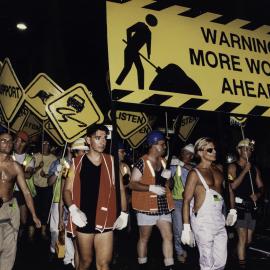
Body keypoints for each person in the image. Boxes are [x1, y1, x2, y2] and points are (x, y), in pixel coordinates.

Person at [64, 124, 128, 270]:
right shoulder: (76, 163)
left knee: (104, 264)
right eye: (97, 138)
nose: (102, 142)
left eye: (104, 138)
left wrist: (124, 213)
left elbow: (121, 189)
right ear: (88, 140)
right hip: (83, 218)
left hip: (105, 217)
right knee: (85, 262)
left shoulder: (111, 161)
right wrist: (73, 210)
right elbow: (66, 190)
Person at [182, 137, 236, 270]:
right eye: (210, 150)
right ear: (200, 152)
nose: (214, 152)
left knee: (221, 261)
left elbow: (229, 190)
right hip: (203, 222)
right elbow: (186, 200)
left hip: (219, 219)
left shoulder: (219, 170)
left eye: (214, 149)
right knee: (207, 262)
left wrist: (232, 210)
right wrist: (186, 227)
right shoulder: (194, 173)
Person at [129, 130, 175, 270]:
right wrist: (150, 188)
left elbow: (171, 185)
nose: (165, 147)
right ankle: (142, 264)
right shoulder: (141, 162)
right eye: (162, 144)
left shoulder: (163, 161)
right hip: (146, 207)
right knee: (144, 238)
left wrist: (169, 179)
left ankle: (169, 265)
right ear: (154, 145)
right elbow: (132, 183)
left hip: (163, 206)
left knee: (168, 236)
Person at [0, 132, 41, 270]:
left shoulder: (15, 166)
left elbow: (26, 192)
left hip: (10, 208)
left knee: (9, 250)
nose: (7, 143)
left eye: (10, 141)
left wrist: (34, 215)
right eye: (3, 140)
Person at [228, 138, 264, 268]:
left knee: (248, 240)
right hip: (238, 206)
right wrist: (244, 170)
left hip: (251, 207)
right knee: (242, 238)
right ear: (239, 150)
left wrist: (258, 194)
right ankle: (242, 265)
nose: (249, 152)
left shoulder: (254, 168)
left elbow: (261, 186)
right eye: (246, 149)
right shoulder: (233, 166)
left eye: (251, 150)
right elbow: (232, 187)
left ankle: (236, 252)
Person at [116, 14, 158, 89]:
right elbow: (128, 30)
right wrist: (129, 43)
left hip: (135, 52)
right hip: (129, 50)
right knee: (128, 68)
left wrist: (149, 54)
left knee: (139, 70)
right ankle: (118, 83)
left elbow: (148, 44)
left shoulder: (149, 33)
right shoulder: (140, 25)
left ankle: (140, 89)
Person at [170, 143, 194, 263]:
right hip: (177, 200)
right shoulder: (173, 163)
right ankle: (179, 251)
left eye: (190, 154)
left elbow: (193, 169)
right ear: (181, 152)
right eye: (185, 152)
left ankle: (192, 248)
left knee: (193, 226)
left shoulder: (193, 167)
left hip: (192, 201)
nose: (187, 155)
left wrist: (182, 164)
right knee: (178, 227)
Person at [12, 130, 36, 239]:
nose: (14, 142)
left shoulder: (30, 159)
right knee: (10, 218)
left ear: (23, 143)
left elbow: (28, 175)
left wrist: (18, 170)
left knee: (24, 219)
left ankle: (20, 232)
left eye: (17, 140)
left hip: (22, 192)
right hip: (10, 193)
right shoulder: (9, 155)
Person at [33, 138, 57, 240]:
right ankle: (31, 234)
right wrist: (39, 167)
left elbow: (54, 174)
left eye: (47, 143)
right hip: (35, 187)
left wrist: (46, 175)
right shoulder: (35, 156)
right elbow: (28, 172)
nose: (45, 145)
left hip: (47, 188)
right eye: (43, 143)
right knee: (34, 209)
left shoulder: (54, 158)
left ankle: (43, 232)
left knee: (45, 210)